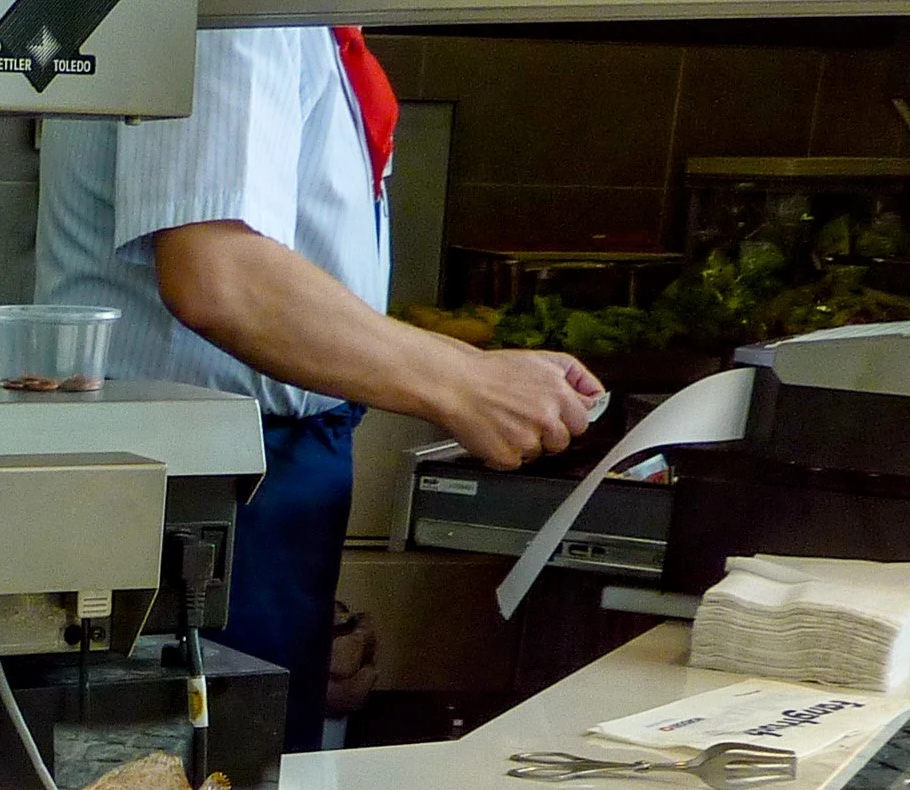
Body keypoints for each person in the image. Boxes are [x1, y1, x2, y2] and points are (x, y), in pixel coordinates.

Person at [37, 27, 605, 751]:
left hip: (261, 479)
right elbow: (219, 277)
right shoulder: (245, 17)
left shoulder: (300, 26)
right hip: (196, 487)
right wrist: (464, 380)